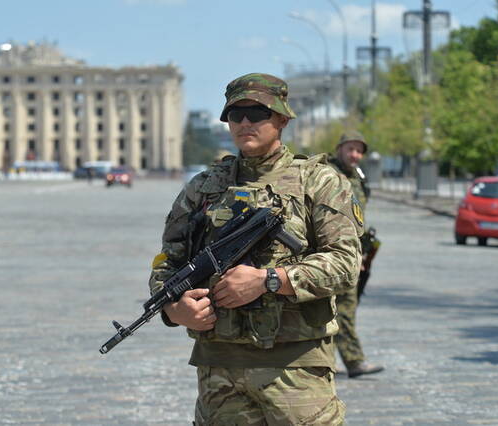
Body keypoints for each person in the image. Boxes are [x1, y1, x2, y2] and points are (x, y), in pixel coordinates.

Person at [148, 73, 363, 425]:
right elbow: (168, 262)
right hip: (219, 370)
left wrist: (269, 280)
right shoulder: (203, 187)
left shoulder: (319, 181)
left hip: (295, 371)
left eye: (258, 113)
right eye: (236, 114)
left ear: (281, 119)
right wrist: (173, 308)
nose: (245, 122)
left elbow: (345, 263)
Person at [328, 130, 385, 378]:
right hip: (332, 253)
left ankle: (328, 362)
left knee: (340, 307)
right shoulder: (327, 175)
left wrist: (361, 255)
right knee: (342, 308)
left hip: (353, 252)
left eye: (359, 150)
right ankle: (353, 361)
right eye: (350, 149)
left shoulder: (357, 177)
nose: (355, 155)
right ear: (339, 148)